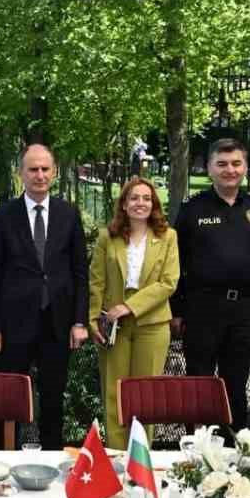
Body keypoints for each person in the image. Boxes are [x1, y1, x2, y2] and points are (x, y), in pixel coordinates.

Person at [0, 144, 90, 449]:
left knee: (53, 399)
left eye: (45, 169)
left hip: (57, 323)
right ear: (21, 174)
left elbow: (81, 272)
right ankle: (5, 461)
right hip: (13, 325)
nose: (39, 175)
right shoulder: (3, 216)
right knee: (9, 400)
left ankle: (52, 464)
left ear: (54, 172)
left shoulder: (68, 214)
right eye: (33, 169)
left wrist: (79, 321)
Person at [168, 138, 250, 433]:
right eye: (221, 164)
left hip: (244, 309)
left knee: (236, 382)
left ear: (245, 167)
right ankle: (196, 450)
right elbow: (175, 263)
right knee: (200, 383)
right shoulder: (192, 210)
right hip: (202, 306)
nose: (229, 170)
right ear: (208, 169)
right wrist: (176, 311)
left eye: (236, 163)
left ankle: (234, 449)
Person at [89, 176, 179, 450]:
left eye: (146, 198)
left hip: (152, 325)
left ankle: (140, 462)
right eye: (134, 198)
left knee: (145, 397)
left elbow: (168, 282)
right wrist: (94, 319)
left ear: (154, 205)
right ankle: (116, 460)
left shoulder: (168, 237)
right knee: (115, 395)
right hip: (114, 327)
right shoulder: (108, 236)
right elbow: (96, 280)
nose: (140, 203)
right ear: (124, 204)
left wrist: (130, 306)